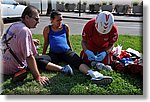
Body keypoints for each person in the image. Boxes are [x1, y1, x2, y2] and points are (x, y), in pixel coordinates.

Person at [42, 11, 113, 85]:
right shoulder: (47, 29)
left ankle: (95, 75)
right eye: (58, 20)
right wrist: (43, 54)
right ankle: (63, 69)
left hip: (66, 51)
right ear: (52, 20)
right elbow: (46, 42)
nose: (60, 22)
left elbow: (67, 40)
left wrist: (71, 52)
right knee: (40, 60)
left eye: (61, 20)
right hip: (54, 54)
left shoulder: (65, 27)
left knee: (79, 62)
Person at [1, 6, 50, 86]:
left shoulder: (15, 25)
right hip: (12, 68)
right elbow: (29, 57)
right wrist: (38, 77)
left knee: (39, 58)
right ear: (27, 17)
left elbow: (10, 40)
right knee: (43, 58)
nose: (38, 22)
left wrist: (31, 40)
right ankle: (62, 68)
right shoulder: (25, 31)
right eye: (36, 19)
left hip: (3, 65)